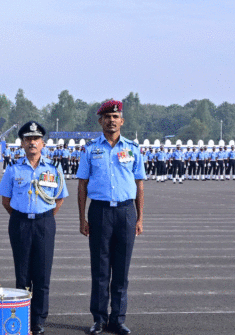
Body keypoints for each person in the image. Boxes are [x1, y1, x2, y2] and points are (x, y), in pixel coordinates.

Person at [76, 100, 145, 335]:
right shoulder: (90, 149)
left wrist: (139, 218)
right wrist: (82, 218)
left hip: (126, 212)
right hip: (100, 212)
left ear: (122, 121)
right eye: (107, 116)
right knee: (100, 270)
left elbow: (139, 184)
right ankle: (99, 319)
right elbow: (82, 184)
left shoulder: (133, 149)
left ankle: (118, 318)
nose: (111, 120)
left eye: (115, 116)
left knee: (122, 271)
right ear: (100, 121)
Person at [0, 121, 67, 335]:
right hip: (20, 223)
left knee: (42, 273)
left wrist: (41, 216)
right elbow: (6, 200)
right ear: (22, 143)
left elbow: (59, 199)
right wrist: (24, 217)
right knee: (23, 273)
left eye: (36, 139)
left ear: (43, 143)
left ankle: (38, 319)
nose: (32, 143)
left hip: (45, 223)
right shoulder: (13, 168)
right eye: (28, 139)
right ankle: (22, 315)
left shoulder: (54, 168)